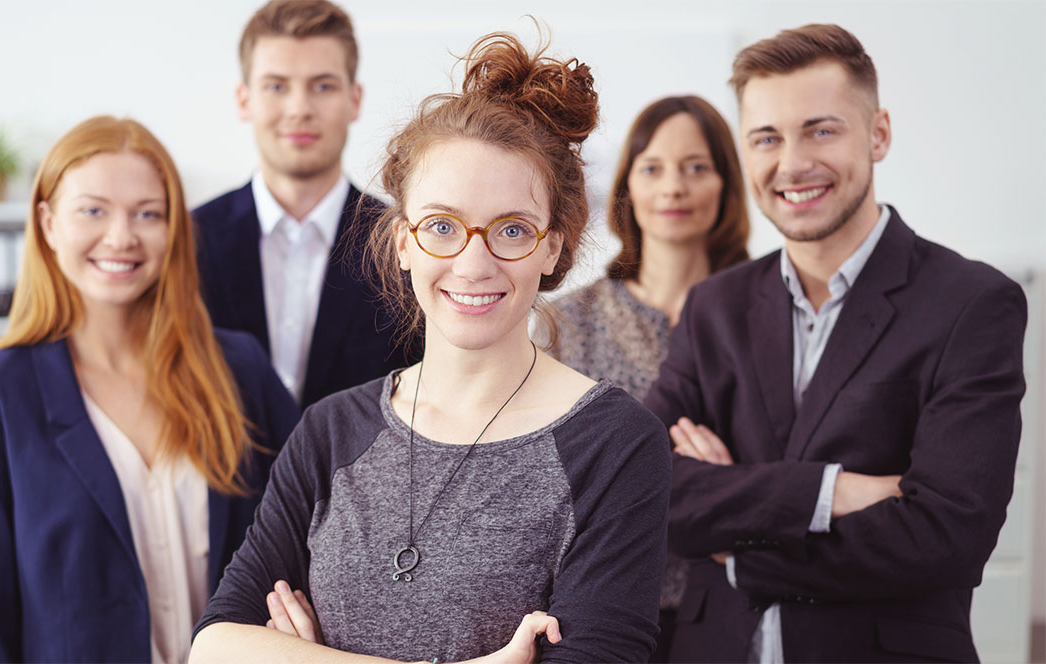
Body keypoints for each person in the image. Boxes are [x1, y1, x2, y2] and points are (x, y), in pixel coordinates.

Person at [189, 30, 670, 663]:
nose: (474, 263)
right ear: (404, 240)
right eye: (442, 226)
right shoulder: (329, 431)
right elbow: (216, 647)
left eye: (512, 230)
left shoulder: (615, 443)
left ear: (553, 246)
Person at [643, 24, 1027, 663]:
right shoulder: (716, 306)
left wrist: (739, 545)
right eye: (767, 138)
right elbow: (649, 488)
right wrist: (828, 492)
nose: (791, 163)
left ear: (878, 133)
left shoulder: (972, 303)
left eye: (821, 129)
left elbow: (947, 535)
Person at [0, 116, 300, 663]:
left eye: (147, 213)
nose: (121, 236)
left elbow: (315, 525)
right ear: (48, 223)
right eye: (93, 210)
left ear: (173, 227)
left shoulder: (237, 367)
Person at [547, 94, 749, 657]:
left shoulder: (767, 315)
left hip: (738, 605)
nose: (673, 188)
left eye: (696, 168)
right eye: (653, 168)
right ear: (627, 187)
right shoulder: (564, 322)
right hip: (596, 609)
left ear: (727, 185)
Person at [194, 0, 415, 408]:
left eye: (323, 86)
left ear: (355, 99)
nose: (299, 109)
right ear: (244, 100)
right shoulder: (187, 241)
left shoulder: (405, 245)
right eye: (276, 86)